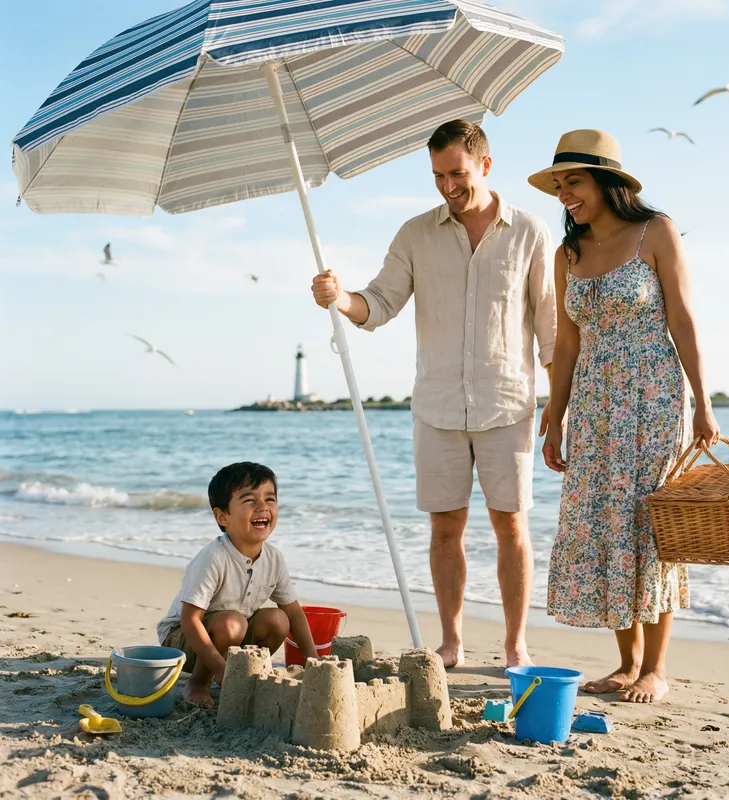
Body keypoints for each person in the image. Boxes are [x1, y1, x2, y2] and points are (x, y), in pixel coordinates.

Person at [311, 120, 557, 668]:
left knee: (510, 525)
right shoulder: (414, 234)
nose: (448, 186)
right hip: (438, 407)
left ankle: (516, 644)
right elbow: (376, 305)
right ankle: (451, 641)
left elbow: (551, 330)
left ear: (486, 166)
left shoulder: (531, 232)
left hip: (509, 404)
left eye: (458, 174)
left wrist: (561, 407)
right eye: (438, 176)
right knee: (446, 527)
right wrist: (338, 297)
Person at [529, 129, 720, 703]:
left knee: (650, 528)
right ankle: (625, 661)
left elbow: (683, 320)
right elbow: (566, 342)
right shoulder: (569, 253)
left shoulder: (654, 231)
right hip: (592, 406)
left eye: (574, 182)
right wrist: (554, 414)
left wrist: (705, 402)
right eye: (559, 184)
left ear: (608, 182)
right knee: (604, 525)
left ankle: (656, 669)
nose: (564, 194)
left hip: (653, 400)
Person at [157, 462, 317, 707]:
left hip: (232, 634)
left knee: (278, 620)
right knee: (233, 623)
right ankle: (198, 684)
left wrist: (312, 659)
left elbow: (293, 612)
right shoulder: (214, 558)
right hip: (183, 641)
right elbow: (190, 620)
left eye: (270, 499)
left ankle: (247, 672)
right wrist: (220, 669)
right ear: (223, 517)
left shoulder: (274, 558)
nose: (263, 507)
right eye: (250, 501)